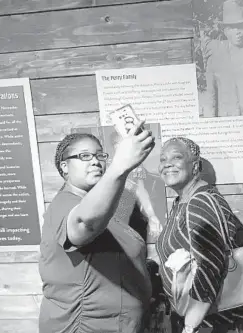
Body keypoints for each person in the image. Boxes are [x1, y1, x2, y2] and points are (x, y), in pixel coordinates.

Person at [38, 122, 155, 333]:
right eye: (84, 156)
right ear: (64, 167)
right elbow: (83, 225)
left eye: (100, 156)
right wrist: (120, 166)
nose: (95, 161)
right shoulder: (65, 204)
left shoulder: (103, 209)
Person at [155, 137, 243, 333]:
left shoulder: (201, 201)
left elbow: (210, 265)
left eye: (176, 157)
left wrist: (191, 324)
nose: (167, 164)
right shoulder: (181, 201)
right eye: (163, 159)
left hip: (212, 322)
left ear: (195, 166)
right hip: (199, 318)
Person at [109, 130, 163, 242]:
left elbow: (141, 190)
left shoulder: (135, 165)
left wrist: (152, 217)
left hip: (130, 218)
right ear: (116, 146)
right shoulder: (106, 164)